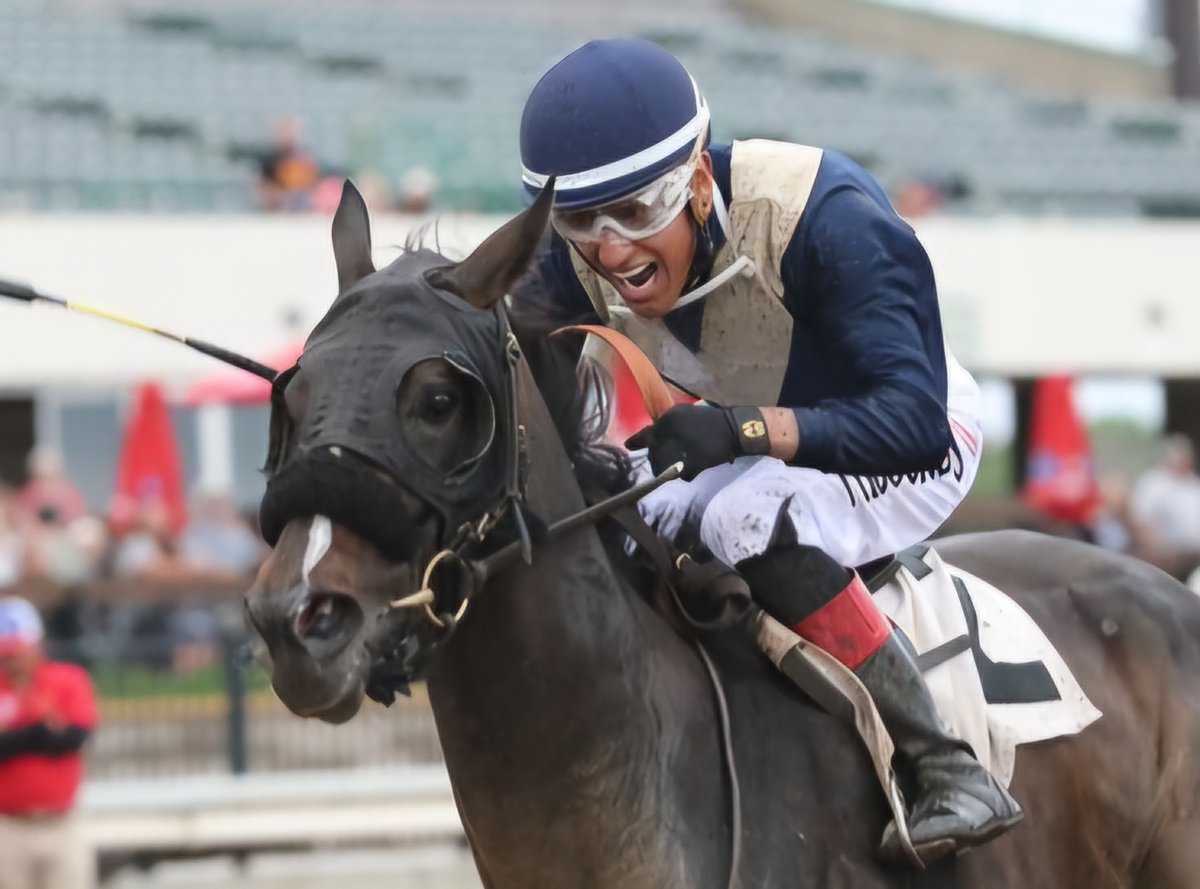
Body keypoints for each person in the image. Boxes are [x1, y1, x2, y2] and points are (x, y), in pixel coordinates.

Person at [516, 38, 1020, 865]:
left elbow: (913, 425)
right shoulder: (575, 257)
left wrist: (744, 430)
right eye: (581, 222)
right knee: (630, 506)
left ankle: (942, 764)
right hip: (761, 433)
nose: (611, 252)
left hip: (908, 432)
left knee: (749, 516)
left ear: (701, 184)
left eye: (638, 212)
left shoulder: (833, 219)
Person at [0, 596, 97, 889]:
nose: (12, 661)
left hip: (60, 823)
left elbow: (73, 737)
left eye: (17, 652)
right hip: (8, 825)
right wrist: (40, 729)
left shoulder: (66, 679)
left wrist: (16, 734)